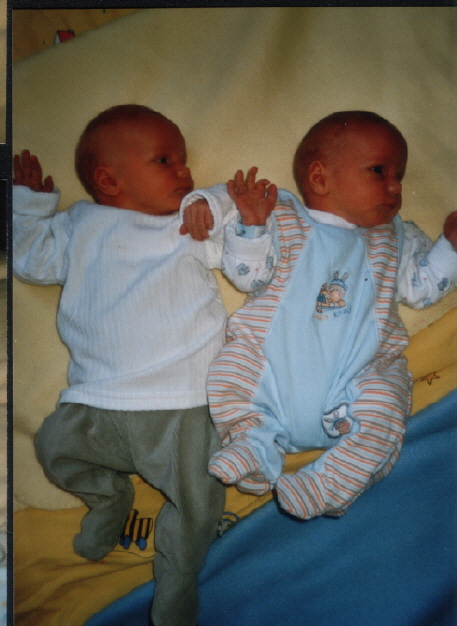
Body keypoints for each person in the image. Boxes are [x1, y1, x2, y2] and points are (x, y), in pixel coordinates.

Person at [12, 104, 278, 626]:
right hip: (97, 400)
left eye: (183, 159)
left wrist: (246, 224)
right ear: (109, 180)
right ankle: (108, 497)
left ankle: (178, 578)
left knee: (200, 497)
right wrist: (28, 208)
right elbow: (32, 260)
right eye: (165, 160)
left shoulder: (190, 223)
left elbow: (249, 275)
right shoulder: (80, 225)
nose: (185, 170)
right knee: (53, 447)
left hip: (184, 403)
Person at [181, 110, 457, 522]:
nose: (396, 186)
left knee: (387, 404)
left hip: (357, 380)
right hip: (271, 374)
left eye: (399, 175)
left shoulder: (396, 236)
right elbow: (247, 276)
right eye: (379, 171)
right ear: (319, 178)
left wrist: (449, 247)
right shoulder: (282, 216)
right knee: (232, 369)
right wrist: (242, 221)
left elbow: (420, 288)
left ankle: (328, 484)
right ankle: (253, 444)